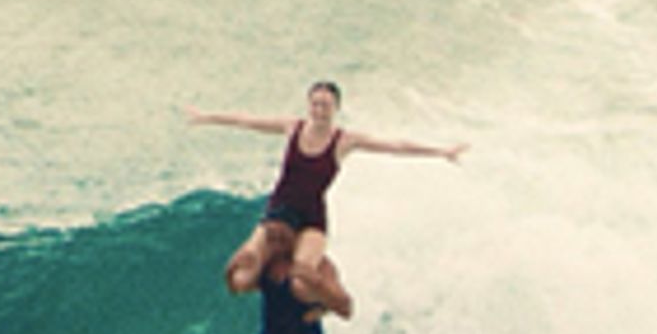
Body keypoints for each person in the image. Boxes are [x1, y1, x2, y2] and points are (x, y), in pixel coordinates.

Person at [188, 81, 468, 305]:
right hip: (278, 211)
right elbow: (246, 121)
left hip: (312, 219)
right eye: (315, 103)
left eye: (326, 105)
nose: (320, 109)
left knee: (300, 284)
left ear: (336, 108)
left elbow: (396, 146)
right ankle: (269, 274)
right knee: (240, 279)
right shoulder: (292, 127)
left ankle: (326, 301)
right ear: (309, 105)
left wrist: (441, 152)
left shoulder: (344, 141)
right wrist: (206, 117)